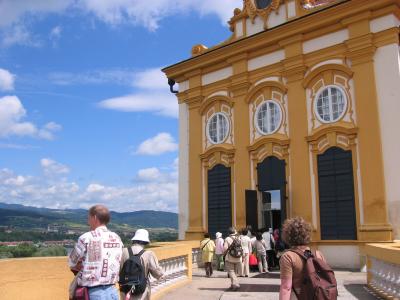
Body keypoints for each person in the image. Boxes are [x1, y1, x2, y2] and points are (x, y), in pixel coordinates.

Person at [68, 204, 123, 300]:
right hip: (113, 291)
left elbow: (72, 262)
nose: (88, 221)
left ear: (95, 217)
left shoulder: (86, 237)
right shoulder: (117, 238)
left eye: (88, 218)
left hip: (94, 292)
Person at [279, 217, 326, 300]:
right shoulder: (318, 254)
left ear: (288, 235)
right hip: (316, 294)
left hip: (297, 295)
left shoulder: (288, 257)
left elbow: (286, 287)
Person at [119, 229, 164, 300]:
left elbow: (119, 269)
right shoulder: (149, 254)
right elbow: (157, 273)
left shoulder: (124, 251)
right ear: (145, 241)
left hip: (125, 288)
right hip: (141, 290)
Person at [224, 227, 241, 291]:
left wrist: (224, 253)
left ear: (229, 232)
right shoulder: (239, 238)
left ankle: (236, 284)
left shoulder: (227, 238)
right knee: (234, 272)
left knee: (231, 271)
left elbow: (225, 248)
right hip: (238, 257)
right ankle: (232, 285)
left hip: (230, 257)